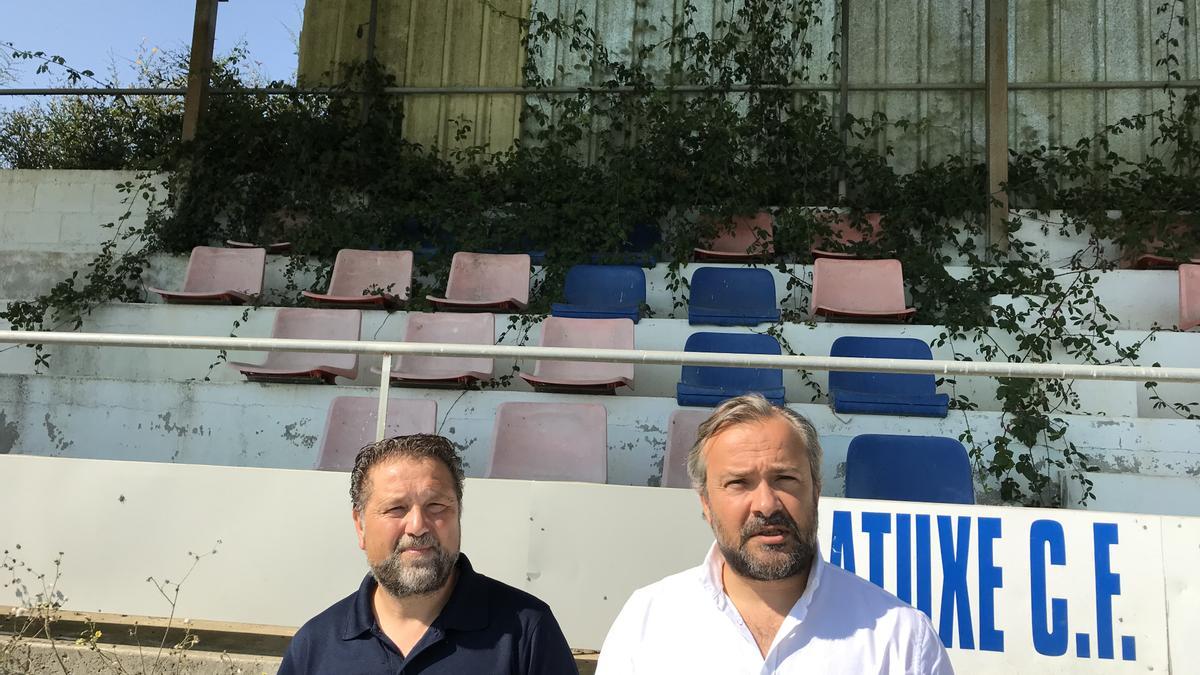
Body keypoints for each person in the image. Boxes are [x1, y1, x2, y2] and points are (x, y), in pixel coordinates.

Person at [596, 394, 954, 674]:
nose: (766, 505)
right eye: (739, 483)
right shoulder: (647, 620)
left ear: (816, 489)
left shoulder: (902, 638)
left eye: (784, 479)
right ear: (705, 502)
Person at [279, 434, 578, 674]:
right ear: (360, 525)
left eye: (436, 506)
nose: (418, 526)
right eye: (396, 508)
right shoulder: (314, 647)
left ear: (458, 513)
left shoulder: (527, 632)